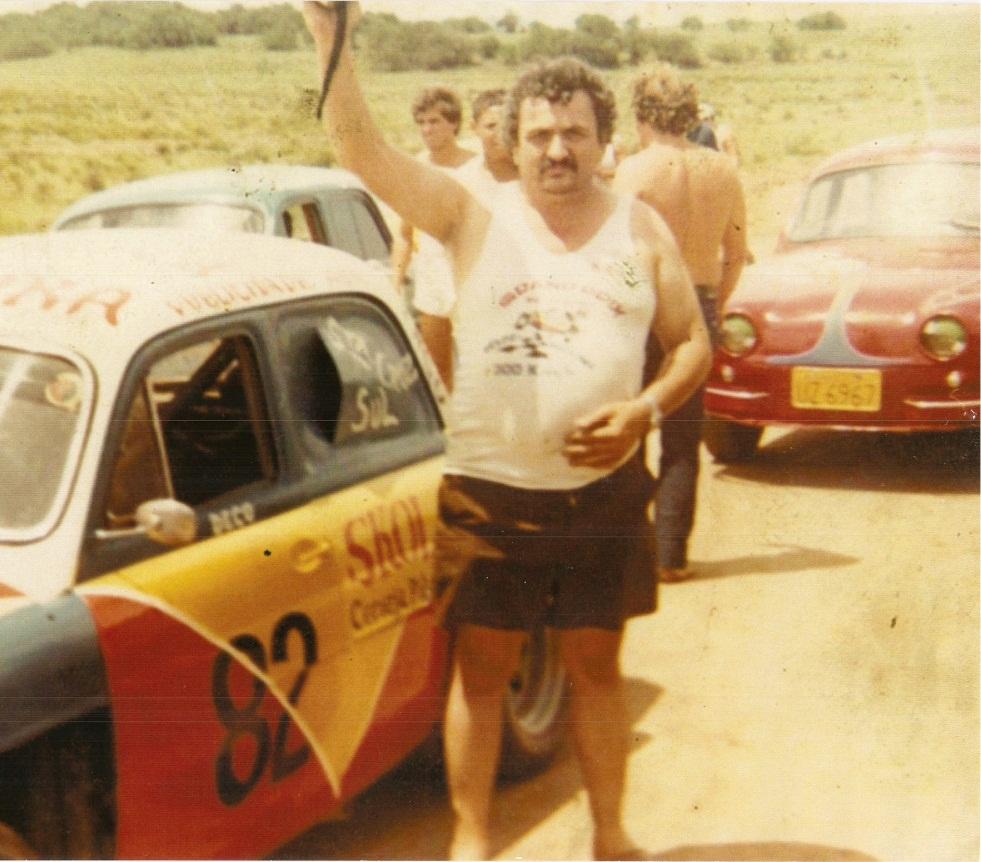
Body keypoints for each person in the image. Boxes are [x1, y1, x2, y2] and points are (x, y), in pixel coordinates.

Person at [303, 5, 711, 859]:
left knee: (595, 670)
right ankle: (472, 844)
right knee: (481, 675)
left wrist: (644, 411)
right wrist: (327, 36)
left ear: (604, 140)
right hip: (490, 498)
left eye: (573, 132)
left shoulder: (640, 228)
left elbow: (692, 348)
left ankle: (609, 838)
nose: (556, 150)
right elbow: (360, 154)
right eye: (538, 135)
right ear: (513, 142)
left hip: (602, 499)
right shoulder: (468, 214)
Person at [613, 66, 750, 584]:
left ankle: (628, 552)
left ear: (643, 115)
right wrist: (710, 311)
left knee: (629, 430)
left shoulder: (633, 171)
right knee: (682, 439)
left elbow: (621, 253)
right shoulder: (723, 170)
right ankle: (672, 557)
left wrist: (626, 299)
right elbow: (736, 255)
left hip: (643, 306)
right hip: (700, 302)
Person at [414, 88, 518, 390]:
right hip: (460, 300)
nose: (499, 134)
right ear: (474, 128)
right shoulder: (461, 183)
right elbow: (430, 251)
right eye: (490, 126)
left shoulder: (534, 181)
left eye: (507, 125)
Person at [391, 85, 477, 306]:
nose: (427, 129)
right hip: (432, 287)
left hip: (472, 283)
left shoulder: (477, 167)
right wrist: (395, 285)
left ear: (454, 123)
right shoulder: (415, 170)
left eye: (434, 121)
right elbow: (405, 236)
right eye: (421, 123)